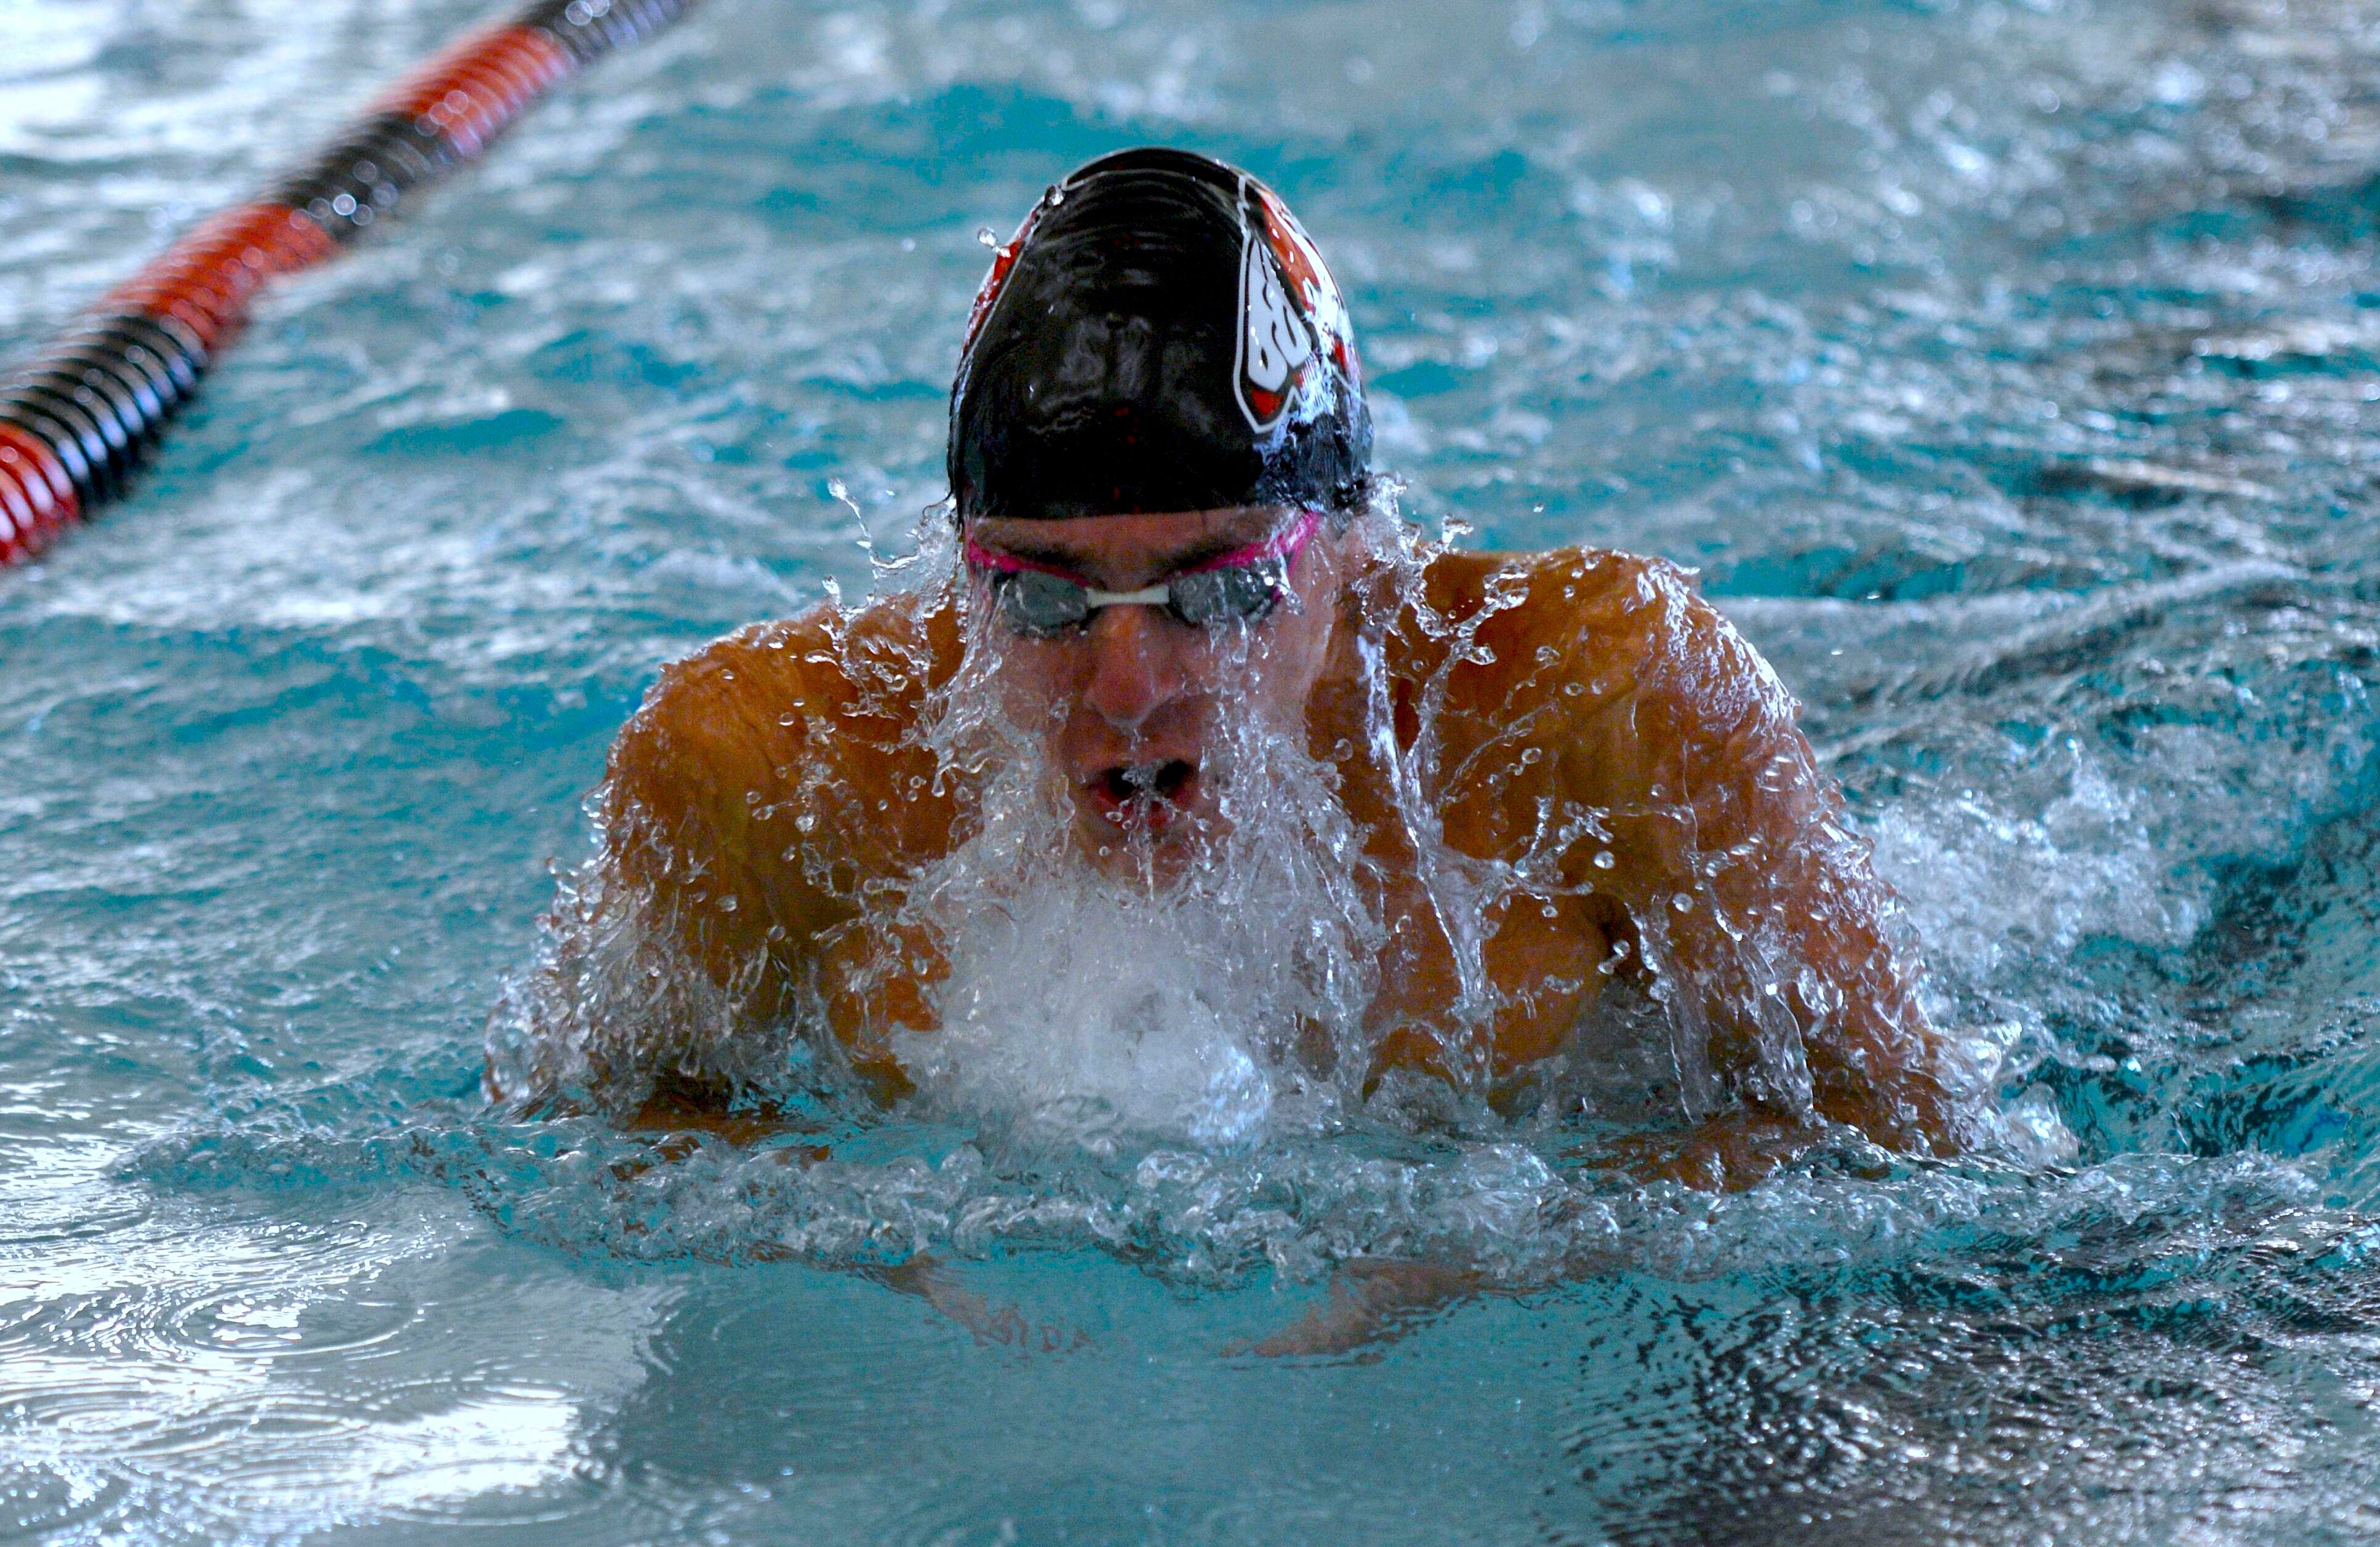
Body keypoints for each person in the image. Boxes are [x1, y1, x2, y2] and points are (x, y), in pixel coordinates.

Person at [488, 146, 1973, 1188]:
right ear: (957, 571)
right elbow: (594, 1129)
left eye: (1219, 591)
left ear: (1354, 552)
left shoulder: (1604, 704)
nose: (1128, 686)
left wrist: (1480, 1260)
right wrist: (888, 1260)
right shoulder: (763, 767)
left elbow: (1894, 1126)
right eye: (1046, 603)